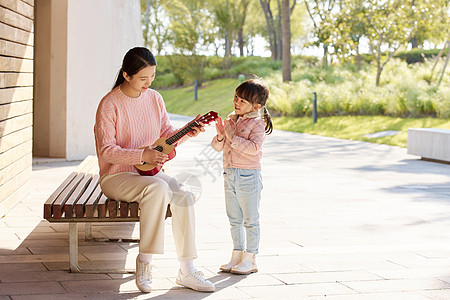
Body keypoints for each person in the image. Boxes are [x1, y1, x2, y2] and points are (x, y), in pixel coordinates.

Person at [94, 47, 215, 293]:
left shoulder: (155, 98)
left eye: (152, 76)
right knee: (158, 188)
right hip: (116, 176)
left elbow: (166, 137)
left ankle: (187, 269)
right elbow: (106, 150)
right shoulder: (109, 104)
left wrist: (187, 132)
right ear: (126, 75)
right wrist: (141, 154)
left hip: (149, 174)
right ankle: (145, 262)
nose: (148, 83)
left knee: (184, 195)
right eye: (143, 78)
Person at [211, 78, 273, 275]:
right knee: (234, 218)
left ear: (256, 105)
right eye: (236, 98)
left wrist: (231, 136)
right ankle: (237, 254)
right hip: (229, 173)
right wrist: (221, 135)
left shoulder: (257, 124)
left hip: (248, 176)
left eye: (242, 101)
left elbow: (254, 149)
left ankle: (250, 258)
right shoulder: (232, 120)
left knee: (250, 219)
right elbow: (216, 146)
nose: (236, 103)